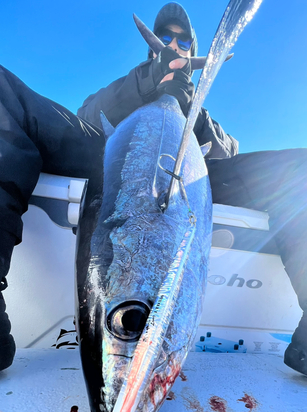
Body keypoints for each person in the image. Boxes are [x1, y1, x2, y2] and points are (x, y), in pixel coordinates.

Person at [0, 3, 306, 376]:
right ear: (152, 47)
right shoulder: (126, 88)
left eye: (182, 39)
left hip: (193, 175)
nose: (174, 44)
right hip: (113, 157)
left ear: (192, 50)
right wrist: (149, 80)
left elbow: (229, 152)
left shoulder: (202, 114)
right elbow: (86, 113)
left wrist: (189, 102)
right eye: (165, 37)